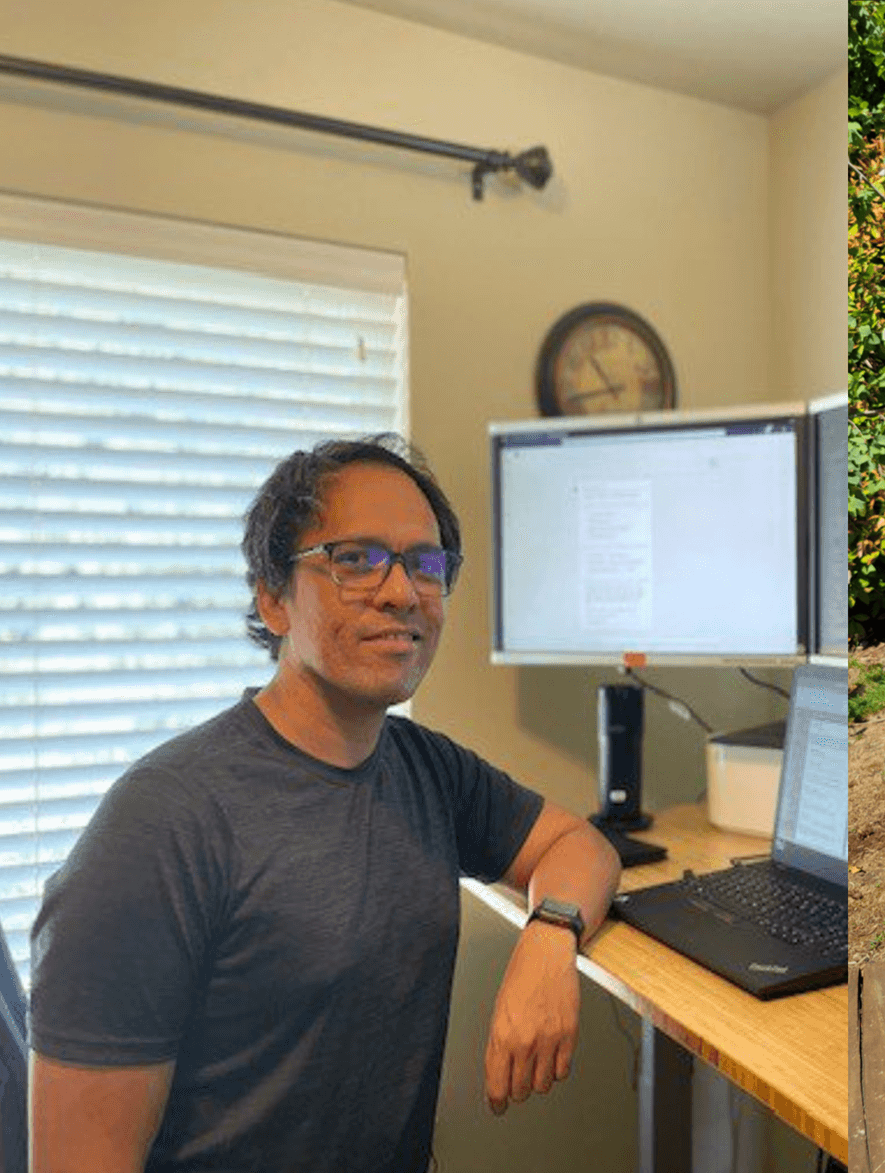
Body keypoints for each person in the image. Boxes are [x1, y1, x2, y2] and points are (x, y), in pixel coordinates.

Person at [29, 436, 622, 1173]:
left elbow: (578, 846)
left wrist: (550, 935)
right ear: (272, 599)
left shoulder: (425, 768)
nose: (401, 591)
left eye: (426, 563)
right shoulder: (161, 827)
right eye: (356, 559)